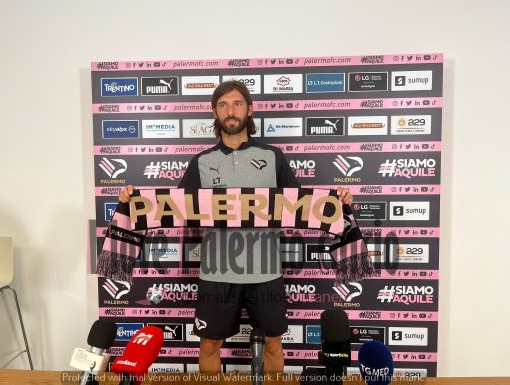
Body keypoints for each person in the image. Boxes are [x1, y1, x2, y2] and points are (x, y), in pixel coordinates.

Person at [118, 80, 353, 373]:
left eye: (237, 103)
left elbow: (301, 204)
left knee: (273, 344)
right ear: (214, 112)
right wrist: (133, 201)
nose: (231, 111)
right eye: (223, 105)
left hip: (265, 271)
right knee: (209, 346)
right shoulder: (201, 162)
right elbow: (173, 207)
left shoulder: (272, 156)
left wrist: (336, 200)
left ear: (250, 109)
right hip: (216, 272)